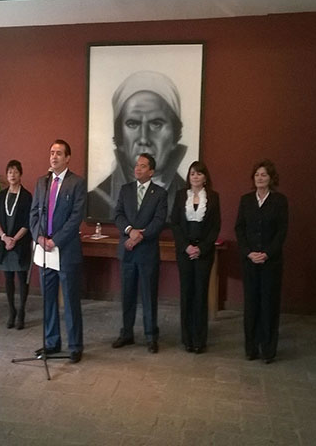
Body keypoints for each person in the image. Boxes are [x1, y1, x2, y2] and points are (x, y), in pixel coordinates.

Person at [88, 70, 187, 220]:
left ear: (174, 134)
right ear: (120, 136)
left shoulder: (188, 198)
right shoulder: (97, 200)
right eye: (133, 124)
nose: (144, 138)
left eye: (156, 123)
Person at [29, 139, 86, 363]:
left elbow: (76, 218)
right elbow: (34, 214)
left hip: (65, 250)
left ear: (67, 158)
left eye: (59, 153)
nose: (54, 156)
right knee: (48, 300)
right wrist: (39, 237)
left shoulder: (77, 183)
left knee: (70, 300)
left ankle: (75, 346)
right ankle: (52, 343)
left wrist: (56, 241)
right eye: (52, 152)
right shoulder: (42, 182)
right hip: (44, 248)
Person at [112, 153, 168, 353]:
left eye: (143, 166)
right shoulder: (125, 190)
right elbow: (118, 215)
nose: (138, 168)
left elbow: (159, 221)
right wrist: (130, 231)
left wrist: (139, 236)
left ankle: (151, 336)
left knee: (148, 296)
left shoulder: (160, 193)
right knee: (127, 295)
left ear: (151, 171)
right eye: (137, 165)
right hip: (127, 250)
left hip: (147, 252)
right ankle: (126, 333)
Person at [235, 159, 288, 364]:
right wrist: (248, 252)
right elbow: (240, 229)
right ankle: (251, 349)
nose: (260, 178)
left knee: (269, 305)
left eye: (264, 175)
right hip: (250, 262)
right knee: (251, 305)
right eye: (257, 175)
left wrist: (266, 253)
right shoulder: (246, 200)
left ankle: (268, 350)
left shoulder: (280, 201)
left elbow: (281, 232)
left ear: (271, 178)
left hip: (271, 263)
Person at [171, 161, 221, 354]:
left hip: (204, 253)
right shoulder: (180, 195)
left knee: (200, 295)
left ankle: (200, 340)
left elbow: (215, 226)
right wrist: (186, 247)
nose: (195, 176)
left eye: (199, 173)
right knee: (187, 294)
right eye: (192, 173)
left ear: (205, 177)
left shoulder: (214, 198)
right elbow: (175, 223)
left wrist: (201, 248)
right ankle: (187, 339)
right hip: (184, 252)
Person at [0, 160, 32, 329]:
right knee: (8, 278)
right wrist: (4, 238)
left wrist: (14, 239)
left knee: (22, 278)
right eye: (9, 172)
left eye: (15, 172)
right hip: (4, 243)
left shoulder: (27, 196)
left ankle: (21, 311)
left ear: (20, 174)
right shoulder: (2, 195)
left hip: (20, 243)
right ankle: (12, 311)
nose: (12, 175)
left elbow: (28, 222)